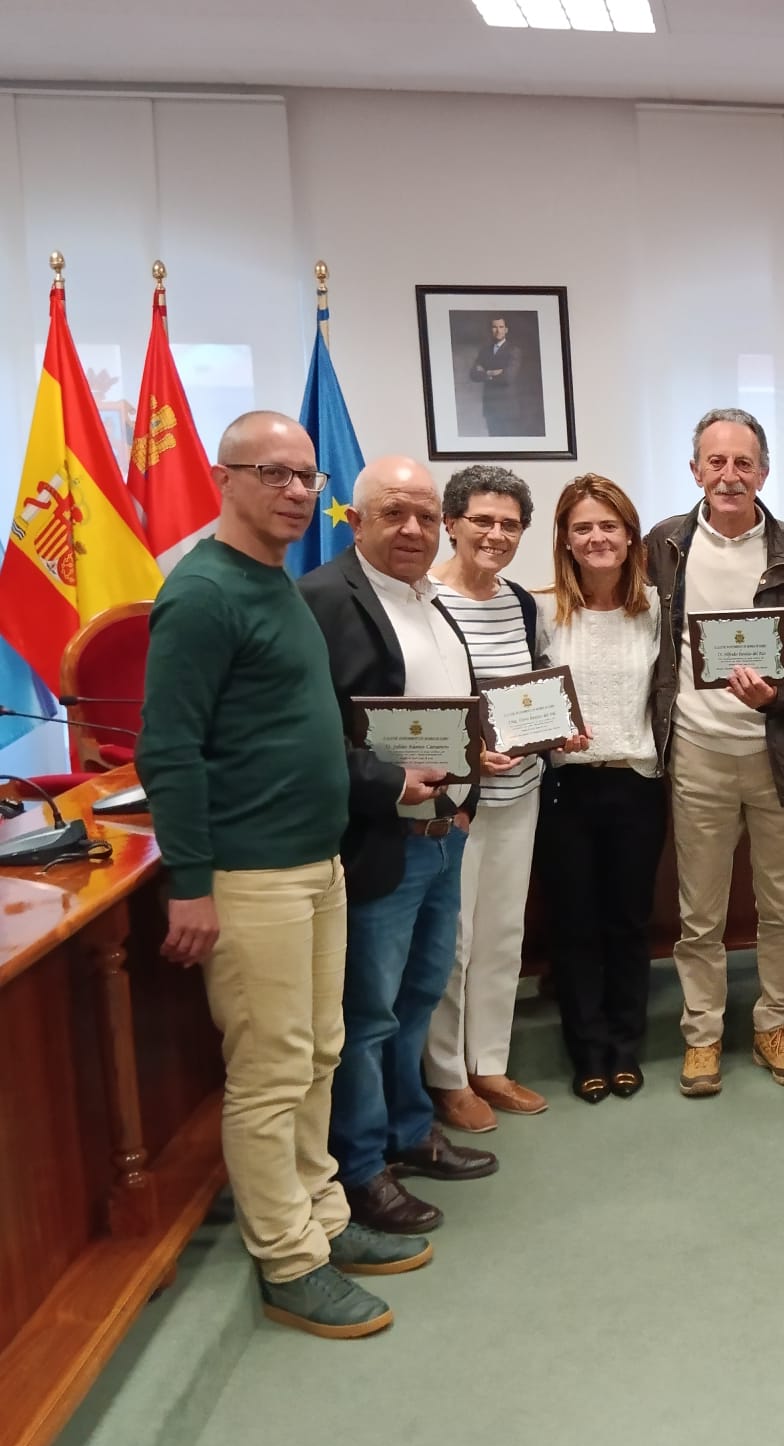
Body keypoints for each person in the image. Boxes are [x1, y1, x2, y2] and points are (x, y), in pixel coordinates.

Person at [138, 411, 428, 1340]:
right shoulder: (202, 595)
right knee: (268, 1072)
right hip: (249, 874)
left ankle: (326, 1223)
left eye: (308, 478)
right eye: (275, 474)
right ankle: (288, 1259)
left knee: (319, 1053)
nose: (298, 492)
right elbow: (170, 749)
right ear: (226, 478)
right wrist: (190, 882)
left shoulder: (282, 587)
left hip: (320, 865)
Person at [300, 456, 499, 1238]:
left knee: (418, 996)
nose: (412, 529)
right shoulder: (321, 601)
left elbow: (451, 716)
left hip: (443, 833)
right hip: (380, 840)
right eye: (393, 514)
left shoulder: (430, 602)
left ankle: (410, 1132)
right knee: (367, 1013)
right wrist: (392, 787)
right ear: (356, 518)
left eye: (424, 514)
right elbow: (316, 736)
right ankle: (360, 1169)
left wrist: (469, 786)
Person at [648, 407, 784, 1097]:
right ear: (695, 469)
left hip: (781, 753)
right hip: (697, 753)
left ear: (763, 471)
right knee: (698, 912)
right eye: (715, 461)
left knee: (782, 907)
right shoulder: (665, 546)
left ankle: (775, 1024)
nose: (729, 475)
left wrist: (780, 693)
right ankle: (702, 1034)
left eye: (743, 463)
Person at [423, 465, 571, 1133]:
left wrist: (557, 728)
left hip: (521, 794)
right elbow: (414, 713)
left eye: (510, 524)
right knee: (452, 942)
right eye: (481, 520)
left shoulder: (520, 602)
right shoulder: (421, 601)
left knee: (502, 936)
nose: (495, 534)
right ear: (451, 523)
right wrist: (463, 758)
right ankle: (447, 1077)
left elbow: (531, 695)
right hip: (454, 807)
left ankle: (489, 1063)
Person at [536, 474, 667, 1104]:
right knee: (575, 923)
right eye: (583, 527)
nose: (597, 538)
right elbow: (522, 707)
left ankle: (623, 1046)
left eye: (608, 526)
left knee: (627, 921)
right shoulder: (542, 615)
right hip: (567, 791)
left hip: (637, 786)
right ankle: (586, 1049)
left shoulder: (657, 610)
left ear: (629, 535)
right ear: (564, 538)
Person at [468, 316, 527, 437]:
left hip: (507, 409)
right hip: (490, 408)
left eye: (501, 327)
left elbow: (507, 378)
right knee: (493, 445)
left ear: (506, 330)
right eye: (494, 327)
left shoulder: (513, 351)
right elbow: (473, 375)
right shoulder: (484, 351)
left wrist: (484, 372)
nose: (498, 330)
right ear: (490, 330)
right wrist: (491, 373)